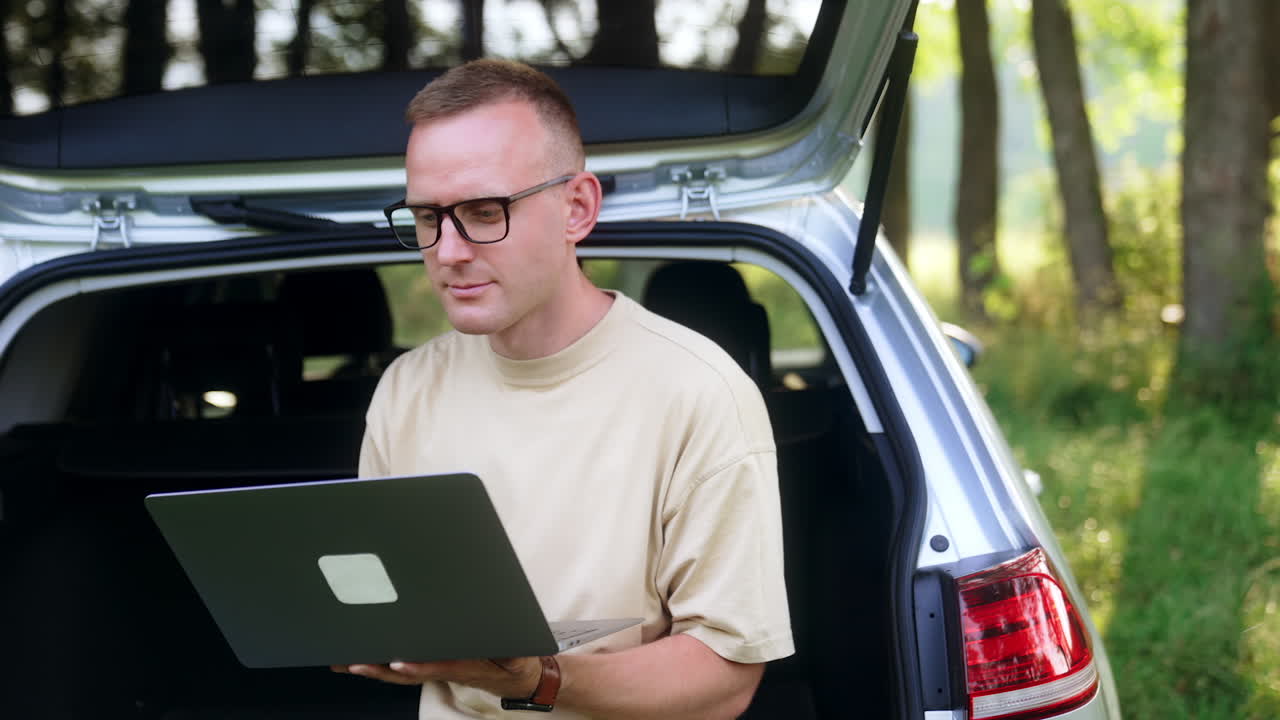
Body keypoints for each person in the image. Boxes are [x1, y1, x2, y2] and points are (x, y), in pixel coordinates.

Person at [339, 59, 793, 719]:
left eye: (483, 211)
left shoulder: (699, 391)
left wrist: (535, 678)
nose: (448, 250)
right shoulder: (407, 389)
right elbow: (385, 604)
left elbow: (725, 677)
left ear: (577, 207)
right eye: (428, 217)